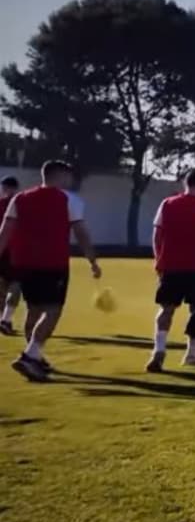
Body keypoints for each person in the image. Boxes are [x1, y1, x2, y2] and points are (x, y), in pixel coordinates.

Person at [0, 160, 102, 382]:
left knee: (33, 310)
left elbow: (5, 231)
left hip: (24, 264)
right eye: (68, 176)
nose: (70, 180)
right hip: (53, 263)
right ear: (61, 175)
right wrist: (92, 260)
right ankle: (30, 356)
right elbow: (81, 232)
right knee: (52, 311)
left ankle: (35, 357)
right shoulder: (69, 199)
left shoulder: (20, 198)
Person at [145, 169, 195, 372]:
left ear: (185, 183)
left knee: (166, 309)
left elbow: (156, 236)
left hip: (170, 266)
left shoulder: (167, 203)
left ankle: (159, 349)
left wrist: (158, 260)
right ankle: (192, 351)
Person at [0, 176, 21, 336]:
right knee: (16, 285)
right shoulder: (23, 204)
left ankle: (3, 319)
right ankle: (5, 320)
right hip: (19, 252)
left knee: (2, 287)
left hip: (3, 251)